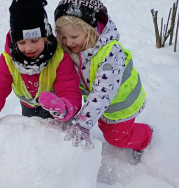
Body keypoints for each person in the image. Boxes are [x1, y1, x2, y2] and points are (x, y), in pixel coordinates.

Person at [0, 0, 82, 165]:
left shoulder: (60, 58)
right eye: (22, 42)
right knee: (33, 142)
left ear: (45, 35)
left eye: (34, 40)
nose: (29, 47)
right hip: (29, 107)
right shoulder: (8, 60)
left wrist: (64, 107)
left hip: (57, 109)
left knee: (58, 147)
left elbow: (70, 90)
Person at [54, 0, 153, 161]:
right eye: (63, 37)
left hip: (123, 105)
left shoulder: (111, 52)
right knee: (106, 127)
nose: (68, 42)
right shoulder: (74, 49)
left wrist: (83, 123)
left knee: (117, 138)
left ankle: (145, 136)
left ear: (92, 30)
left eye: (74, 36)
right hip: (102, 105)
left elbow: (103, 91)